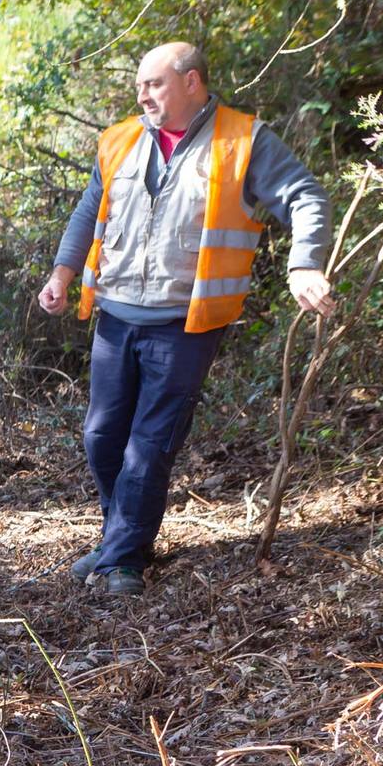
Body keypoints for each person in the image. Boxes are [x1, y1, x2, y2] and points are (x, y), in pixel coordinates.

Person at [37, 42, 334, 594]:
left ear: (192, 81)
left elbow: (305, 196)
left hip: (186, 323)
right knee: (102, 437)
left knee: (149, 445)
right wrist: (61, 274)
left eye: (154, 84)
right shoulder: (121, 140)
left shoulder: (242, 140)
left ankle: (123, 559)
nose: (143, 95)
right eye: (139, 87)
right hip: (116, 315)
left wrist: (303, 265)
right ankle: (120, 539)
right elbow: (88, 209)